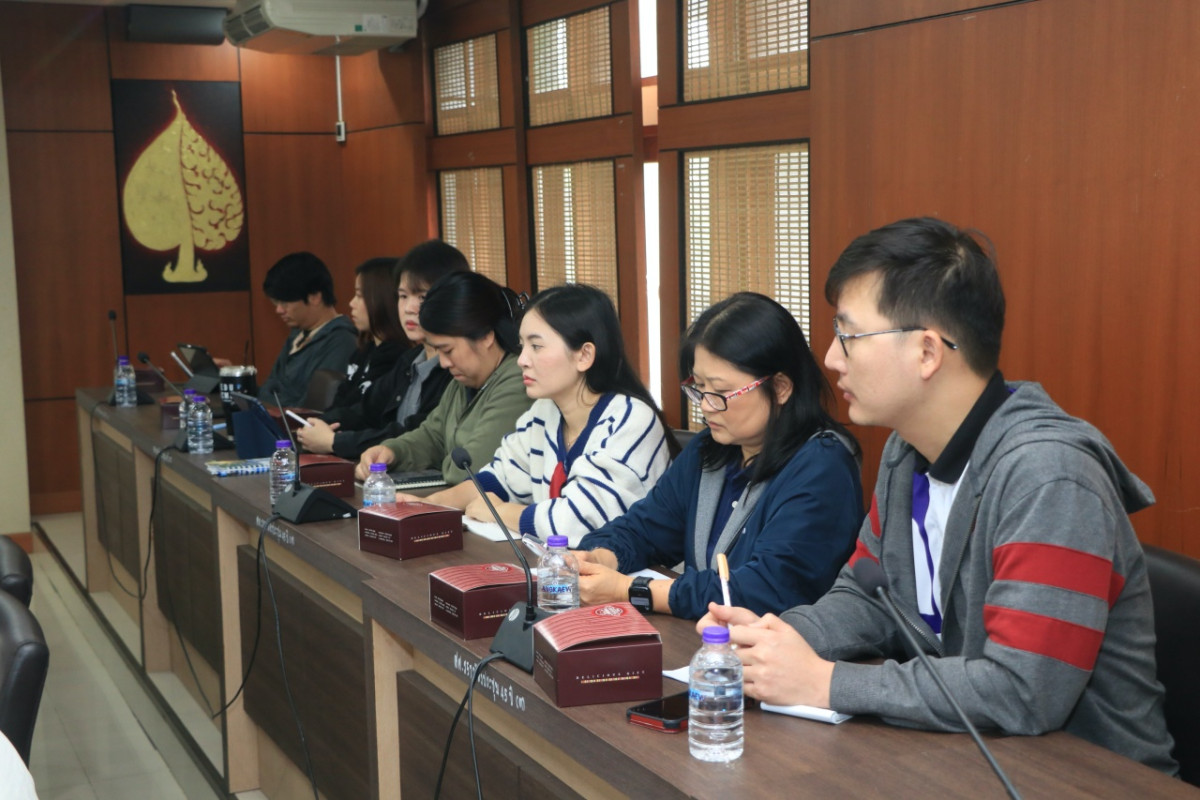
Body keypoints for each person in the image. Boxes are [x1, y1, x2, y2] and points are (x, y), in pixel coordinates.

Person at [698, 218, 1178, 775]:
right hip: (965, 758)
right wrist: (776, 642)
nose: (830, 358)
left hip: (1087, 777)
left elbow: (1022, 691)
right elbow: (866, 596)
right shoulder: (906, 451)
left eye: (849, 336)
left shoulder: (1050, 477)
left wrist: (825, 682)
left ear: (927, 352)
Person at [575, 292, 863, 620]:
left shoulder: (822, 465)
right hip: (705, 638)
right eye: (698, 387)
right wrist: (599, 559)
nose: (706, 406)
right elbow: (645, 528)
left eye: (722, 392)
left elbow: (764, 589)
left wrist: (632, 590)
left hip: (779, 644)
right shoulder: (709, 450)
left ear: (780, 387)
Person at [409, 284, 675, 544]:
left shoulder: (630, 420)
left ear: (584, 355)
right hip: (562, 565)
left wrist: (500, 511)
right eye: (522, 345)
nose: (522, 360)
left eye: (536, 346)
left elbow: (577, 522)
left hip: (630, 571)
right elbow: (499, 479)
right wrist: (427, 506)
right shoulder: (544, 411)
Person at [355, 270, 533, 486]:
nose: (443, 362)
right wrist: (392, 452)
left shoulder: (519, 382)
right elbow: (432, 436)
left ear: (486, 337)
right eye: (437, 350)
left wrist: (442, 461)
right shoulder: (464, 381)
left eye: (448, 350)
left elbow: (469, 469)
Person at [296, 242, 466, 458]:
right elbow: (366, 410)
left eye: (422, 297)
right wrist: (319, 425)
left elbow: (414, 435)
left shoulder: (456, 369)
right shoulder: (410, 360)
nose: (408, 308)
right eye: (403, 296)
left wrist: (335, 442)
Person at [257, 251, 357, 407]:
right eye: (276, 303)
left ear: (315, 297)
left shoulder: (342, 341)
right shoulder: (298, 334)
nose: (279, 310)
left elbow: (313, 405)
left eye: (285, 303)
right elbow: (269, 388)